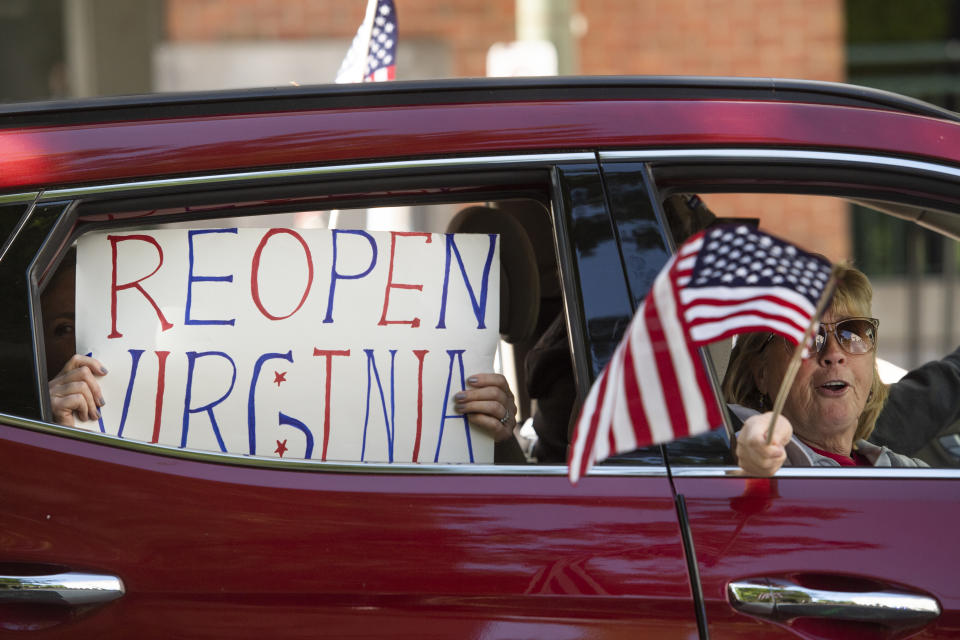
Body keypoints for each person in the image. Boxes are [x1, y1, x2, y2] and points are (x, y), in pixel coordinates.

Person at [723, 263, 927, 475]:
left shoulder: (915, 474)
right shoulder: (750, 462)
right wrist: (755, 447)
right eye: (807, 337)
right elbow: (749, 444)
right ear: (761, 373)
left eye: (851, 332)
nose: (834, 354)